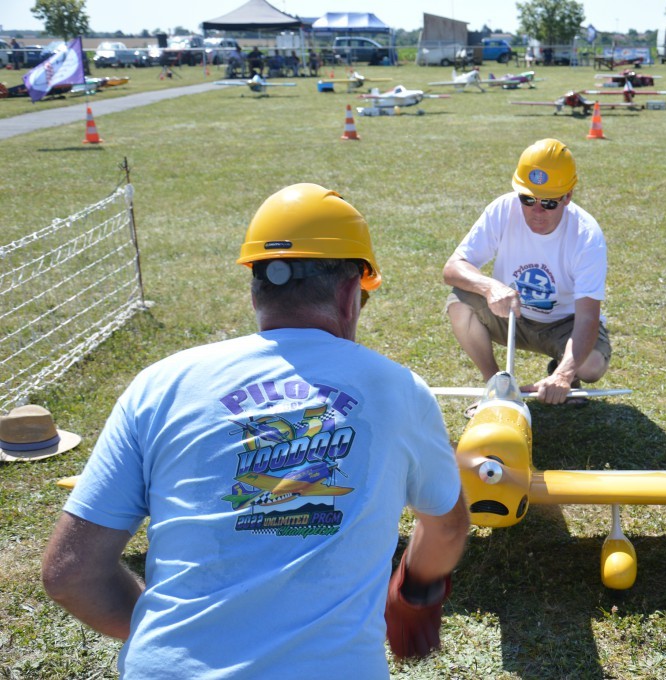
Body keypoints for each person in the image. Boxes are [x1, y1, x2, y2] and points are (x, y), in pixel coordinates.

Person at [42, 183, 470, 677]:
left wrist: (173, 635)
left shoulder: (160, 385)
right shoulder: (399, 389)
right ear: (352, 296)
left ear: (255, 289)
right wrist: (413, 591)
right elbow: (449, 525)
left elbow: (69, 574)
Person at [443, 138, 612, 412]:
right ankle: (496, 387)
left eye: (548, 202)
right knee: (459, 303)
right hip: (512, 316)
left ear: (567, 196)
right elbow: (453, 268)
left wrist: (563, 375)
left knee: (591, 365)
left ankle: (558, 374)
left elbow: (588, 317)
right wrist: (489, 287)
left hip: (564, 325)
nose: (536, 211)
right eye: (528, 199)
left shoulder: (586, 235)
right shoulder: (502, 209)